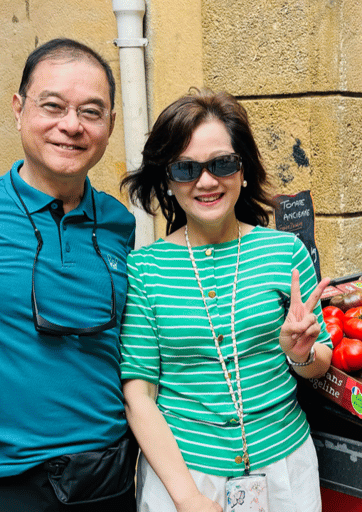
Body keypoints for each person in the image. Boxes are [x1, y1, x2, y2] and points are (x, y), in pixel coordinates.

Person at [120, 89, 332, 512]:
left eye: (222, 164)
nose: (207, 181)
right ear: (167, 179)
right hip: (183, 474)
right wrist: (188, 498)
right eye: (186, 168)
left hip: (285, 470)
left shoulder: (285, 253)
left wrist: (300, 355)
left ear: (243, 170)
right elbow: (139, 393)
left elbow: (320, 361)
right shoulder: (145, 268)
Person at [0, 39, 137, 511]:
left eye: (91, 112)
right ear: (18, 109)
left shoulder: (120, 223)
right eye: (52, 106)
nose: (71, 126)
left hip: (110, 477)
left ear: (110, 125)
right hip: (14, 482)